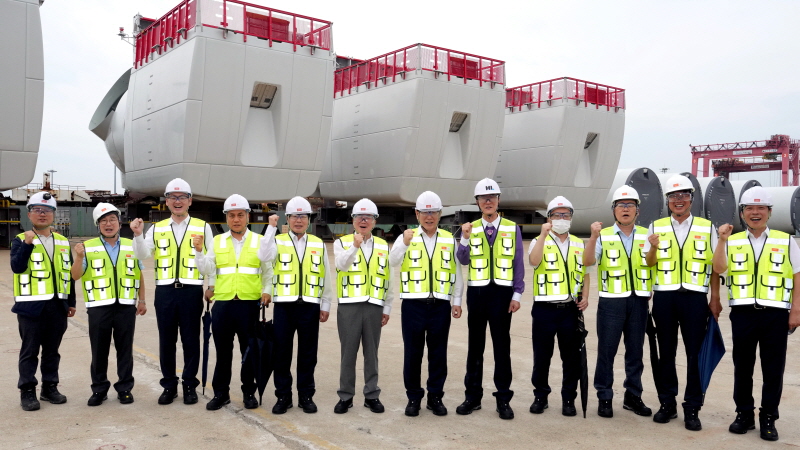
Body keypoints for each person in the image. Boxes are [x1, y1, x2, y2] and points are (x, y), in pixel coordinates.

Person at [712, 186, 800, 442]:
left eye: (761, 208)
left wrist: (796, 309)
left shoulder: (785, 240)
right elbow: (718, 268)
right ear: (742, 213)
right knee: (743, 367)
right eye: (749, 208)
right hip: (743, 313)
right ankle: (744, 414)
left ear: (769, 212)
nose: (755, 213)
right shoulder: (732, 240)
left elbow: (797, 275)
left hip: (776, 314)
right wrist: (721, 240)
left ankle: (768, 418)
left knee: (773, 369)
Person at [644, 174, 720, 431]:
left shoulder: (706, 227)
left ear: (691, 199)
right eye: (674, 196)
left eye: (684, 195)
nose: (679, 200)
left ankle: (692, 407)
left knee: (694, 354)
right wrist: (653, 248)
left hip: (695, 298)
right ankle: (667, 403)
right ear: (667, 200)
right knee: (666, 352)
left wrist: (715, 299)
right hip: (665, 297)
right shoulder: (656, 226)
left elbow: (715, 266)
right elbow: (649, 263)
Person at [131, 178, 214, 405]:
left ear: (190, 201)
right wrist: (138, 235)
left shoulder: (203, 227)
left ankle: (189, 385)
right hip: (165, 291)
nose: (178, 201)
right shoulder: (157, 228)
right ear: (166, 201)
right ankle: (169, 385)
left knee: (190, 340)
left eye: (182, 197)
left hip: (191, 291)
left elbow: (211, 261)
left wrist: (211, 286)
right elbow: (142, 255)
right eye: (173, 197)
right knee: (166, 341)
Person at [194, 194, 273, 411]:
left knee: (249, 352)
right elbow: (207, 269)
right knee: (223, 353)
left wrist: (267, 291)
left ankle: (249, 392)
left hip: (249, 304)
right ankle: (221, 393)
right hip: (224, 304)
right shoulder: (217, 241)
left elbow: (268, 271)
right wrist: (199, 253)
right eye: (231, 216)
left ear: (248, 216)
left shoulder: (259, 241)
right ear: (226, 218)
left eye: (240, 215)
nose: (236, 219)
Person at [389, 191, 464, 417]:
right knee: (413, 354)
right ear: (417, 214)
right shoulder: (407, 237)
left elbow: (457, 272)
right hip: (413, 305)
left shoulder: (448, 239)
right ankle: (413, 397)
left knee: (438, 354)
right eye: (424, 212)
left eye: (433, 212)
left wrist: (456, 300)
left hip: (440, 305)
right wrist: (403, 243)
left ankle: (435, 397)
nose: (429, 217)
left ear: (440, 214)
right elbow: (392, 261)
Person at [456, 178, 523, 420]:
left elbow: (518, 263)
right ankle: (472, 397)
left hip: (502, 295)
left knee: (502, 348)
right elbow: (462, 260)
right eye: (483, 198)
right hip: (478, 293)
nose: (488, 201)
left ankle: (503, 398)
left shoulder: (512, 228)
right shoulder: (469, 228)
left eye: (492, 197)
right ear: (477, 202)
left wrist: (517, 293)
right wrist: (464, 238)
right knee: (475, 347)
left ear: (498, 200)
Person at [584, 187, 653, 418]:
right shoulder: (603, 235)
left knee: (635, 352)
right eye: (621, 205)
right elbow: (588, 262)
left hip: (639, 301)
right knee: (607, 351)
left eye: (630, 205)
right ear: (613, 210)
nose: (625, 209)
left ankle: (633, 396)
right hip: (611, 302)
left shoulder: (647, 234)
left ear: (637, 210)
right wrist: (593, 237)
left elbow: (653, 263)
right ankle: (604, 396)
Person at [260, 197, 333, 414]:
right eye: (294, 216)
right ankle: (283, 396)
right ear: (288, 219)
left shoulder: (318, 243)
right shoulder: (277, 241)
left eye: (303, 216)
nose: (299, 220)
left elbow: (326, 275)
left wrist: (326, 303)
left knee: (308, 354)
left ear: (309, 219)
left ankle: (306, 395)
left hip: (310, 306)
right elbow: (263, 256)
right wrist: (270, 228)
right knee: (282, 353)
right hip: (284, 306)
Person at [71, 203, 147, 406]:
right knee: (99, 350)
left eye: (112, 219)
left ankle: (125, 388)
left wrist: (142, 300)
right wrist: (79, 257)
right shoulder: (87, 247)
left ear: (119, 223)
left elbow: (139, 274)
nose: (108, 224)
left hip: (126, 306)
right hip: (98, 307)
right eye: (103, 221)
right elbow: (75, 276)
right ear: (98, 225)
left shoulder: (131, 245)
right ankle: (99, 389)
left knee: (125, 350)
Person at [10, 192, 75, 411]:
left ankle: (50, 387)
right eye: (37, 210)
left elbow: (68, 274)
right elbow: (17, 267)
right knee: (29, 351)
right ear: (29, 214)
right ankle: (27, 391)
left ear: (53, 214)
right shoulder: (20, 239)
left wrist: (71, 302)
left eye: (47, 210)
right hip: (31, 307)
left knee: (52, 351)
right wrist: (27, 244)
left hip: (57, 306)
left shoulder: (63, 241)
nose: (42, 214)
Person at [528, 196, 589, 417]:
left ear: (571, 217)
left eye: (566, 215)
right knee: (542, 357)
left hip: (570, 310)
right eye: (557, 215)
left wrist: (586, 296)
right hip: (544, 309)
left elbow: (585, 272)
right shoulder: (538, 240)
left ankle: (568, 398)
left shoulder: (578, 243)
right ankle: (540, 396)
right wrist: (543, 235)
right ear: (549, 218)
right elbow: (534, 262)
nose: (562, 218)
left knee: (570, 359)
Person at [332, 198, 393, 414]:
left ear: (375, 221)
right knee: (348, 353)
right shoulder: (342, 243)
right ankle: (345, 396)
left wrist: (387, 307)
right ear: (353, 220)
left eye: (368, 217)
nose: (364, 221)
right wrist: (354, 246)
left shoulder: (382, 245)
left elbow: (388, 278)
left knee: (371, 353)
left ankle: (371, 395)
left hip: (374, 305)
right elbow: (341, 265)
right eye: (359, 217)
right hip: (349, 306)